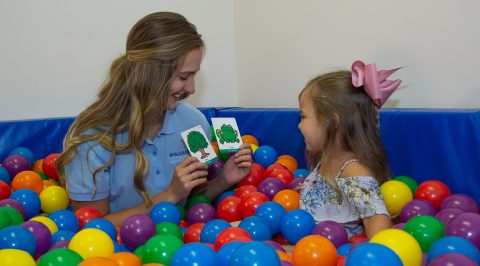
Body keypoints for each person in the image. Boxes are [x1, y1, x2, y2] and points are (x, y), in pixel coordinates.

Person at [56, 12, 252, 227]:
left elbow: (193, 198)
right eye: (184, 77)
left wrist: (223, 180)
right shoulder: (91, 137)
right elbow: (90, 228)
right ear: (149, 73)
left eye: (194, 75)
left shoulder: (194, 123)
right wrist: (169, 195)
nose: (192, 88)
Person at [298, 60, 402, 238]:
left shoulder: (353, 171)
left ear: (331, 121)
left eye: (303, 116)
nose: (299, 126)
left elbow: (376, 219)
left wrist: (376, 253)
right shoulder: (326, 159)